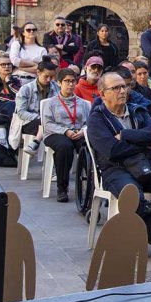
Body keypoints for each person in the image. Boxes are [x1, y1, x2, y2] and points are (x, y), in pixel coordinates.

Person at [87, 72, 151, 246]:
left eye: (124, 86)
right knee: (133, 198)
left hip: (146, 165)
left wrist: (125, 135)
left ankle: (147, 228)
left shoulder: (137, 110)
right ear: (103, 94)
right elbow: (112, 150)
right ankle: (140, 235)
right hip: (116, 169)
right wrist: (143, 145)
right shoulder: (97, 119)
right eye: (116, 88)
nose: (122, 91)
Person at [41, 69, 92, 202]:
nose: (70, 84)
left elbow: (90, 122)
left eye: (73, 81)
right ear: (59, 83)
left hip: (78, 132)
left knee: (87, 145)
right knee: (64, 146)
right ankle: (62, 187)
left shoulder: (83, 103)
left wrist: (83, 131)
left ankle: (92, 182)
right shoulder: (50, 103)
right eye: (67, 81)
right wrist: (65, 131)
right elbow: (47, 124)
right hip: (56, 133)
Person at [15, 58, 59, 155]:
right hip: (29, 122)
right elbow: (21, 112)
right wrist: (40, 118)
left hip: (51, 122)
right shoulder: (26, 89)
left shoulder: (56, 87)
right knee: (47, 123)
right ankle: (37, 143)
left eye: (51, 77)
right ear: (38, 72)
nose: (49, 80)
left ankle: (36, 142)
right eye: (46, 76)